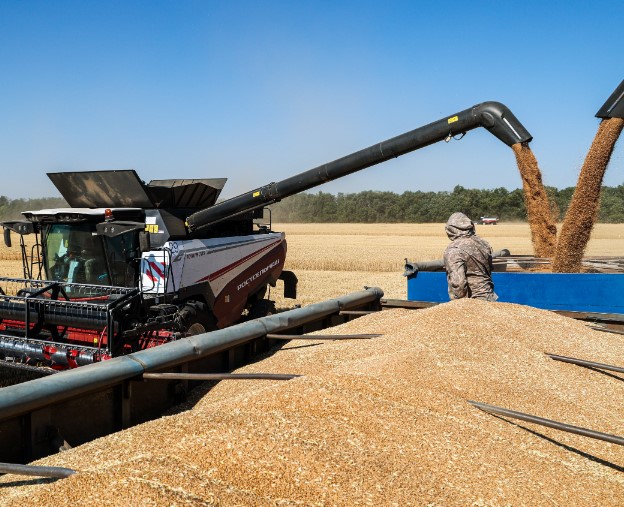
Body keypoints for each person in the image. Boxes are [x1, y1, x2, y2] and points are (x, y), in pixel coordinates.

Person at [443, 212, 498, 301]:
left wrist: (457, 305)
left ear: (450, 229)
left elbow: (459, 283)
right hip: (490, 297)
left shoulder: (453, 250)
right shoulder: (483, 243)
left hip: (473, 303)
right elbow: (490, 268)